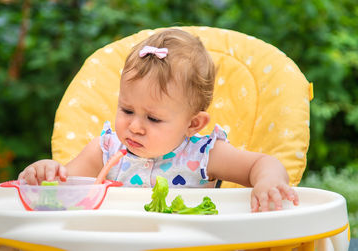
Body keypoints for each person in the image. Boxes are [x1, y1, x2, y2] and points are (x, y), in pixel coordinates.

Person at [19, 28, 299, 212]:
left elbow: (263, 163)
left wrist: (267, 182)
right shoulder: (105, 150)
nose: (135, 126)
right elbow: (63, 195)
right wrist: (46, 173)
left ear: (193, 124)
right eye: (127, 110)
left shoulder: (203, 155)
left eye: (153, 118)